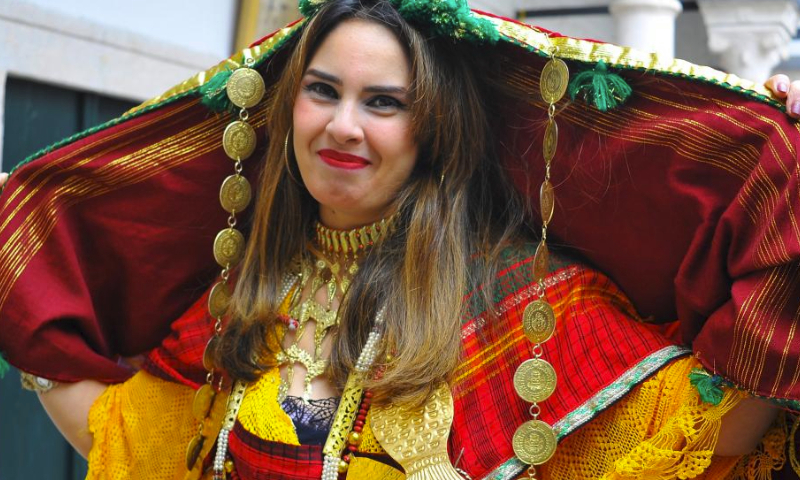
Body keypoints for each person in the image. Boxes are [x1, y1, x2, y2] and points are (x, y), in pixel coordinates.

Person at [0, 0, 798, 479]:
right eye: (323, 91)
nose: (343, 125)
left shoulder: (526, 300)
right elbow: (130, 440)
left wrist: (790, 185)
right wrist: (19, 271)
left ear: (433, 130)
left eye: (384, 102)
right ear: (288, 110)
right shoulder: (240, 297)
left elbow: (714, 431)